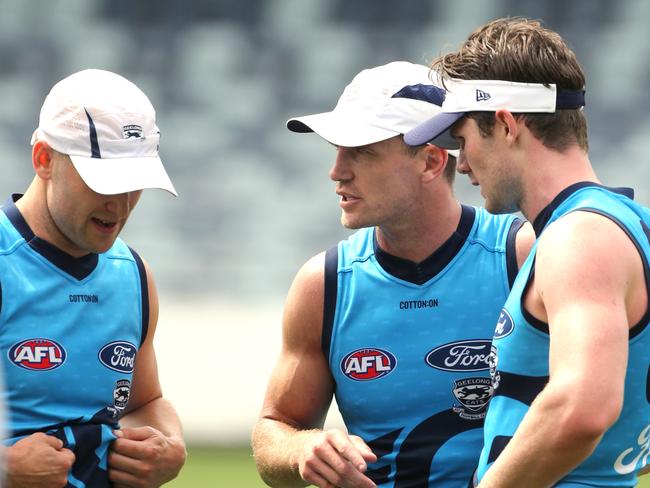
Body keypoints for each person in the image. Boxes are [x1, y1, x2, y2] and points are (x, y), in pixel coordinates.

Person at [251, 61, 534, 488]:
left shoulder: (524, 254)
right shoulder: (324, 284)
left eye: (361, 151)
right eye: (337, 150)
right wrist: (302, 449)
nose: (336, 171)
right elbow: (274, 430)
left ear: (431, 162)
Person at [405, 16, 650, 488]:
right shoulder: (624, 224)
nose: (462, 164)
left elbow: (582, 408)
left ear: (505, 123)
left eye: (463, 141)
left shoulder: (579, 238)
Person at [0, 69, 186, 487]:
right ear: (45, 159)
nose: (119, 205)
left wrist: (169, 447)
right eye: (103, 181)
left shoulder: (133, 274)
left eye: (134, 183)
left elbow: (146, 401)